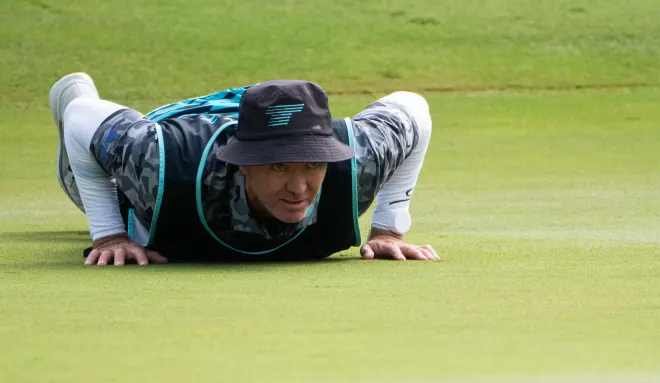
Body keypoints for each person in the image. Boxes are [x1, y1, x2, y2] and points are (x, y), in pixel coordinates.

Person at [49, 73, 439, 265]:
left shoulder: (357, 161)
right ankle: (74, 84)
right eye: (279, 165)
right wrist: (108, 235)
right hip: (152, 152)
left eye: (313, 163)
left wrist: (389, 227)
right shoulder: (157, 161)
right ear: (243, 165)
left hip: (242, 120)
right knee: (82, 162)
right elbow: (81, 118)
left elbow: (413, 107)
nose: (299, 187)